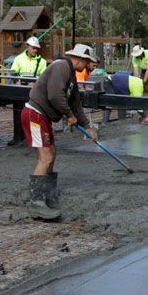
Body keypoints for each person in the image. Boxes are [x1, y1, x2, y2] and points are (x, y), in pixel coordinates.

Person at [21, 43, 98, 220]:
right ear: (78, 58)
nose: (87, 66)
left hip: (42, 116)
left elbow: (75, 103)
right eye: (86, 61)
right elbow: (55, 95)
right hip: (35, 114)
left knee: (51, 154)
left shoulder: (70, 74)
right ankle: (36, 204)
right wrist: (69, 116)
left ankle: (47, 195)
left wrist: (87, 127)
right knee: (45, 156)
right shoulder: (61, 67)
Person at [8, 36, 48, 146]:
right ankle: (18, 138)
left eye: (36, 48)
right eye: (33, 48)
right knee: (18, 113)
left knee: (34, 115)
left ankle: (34, 139)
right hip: (20, 89)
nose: (35, 50)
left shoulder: (42, 62)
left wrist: (35, 84)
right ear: (28, 47)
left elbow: (43, 77)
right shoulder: (19, 59)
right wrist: (17, 82)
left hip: (34, 91)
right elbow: (13, 72)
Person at [131, 45, 148, 125]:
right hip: (144, 69)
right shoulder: (134, 59)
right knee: (141, 88)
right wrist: (138, 82)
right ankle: (141, 107)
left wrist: (144, 81)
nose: (137, 56)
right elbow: (136, 71)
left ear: (142, 52)